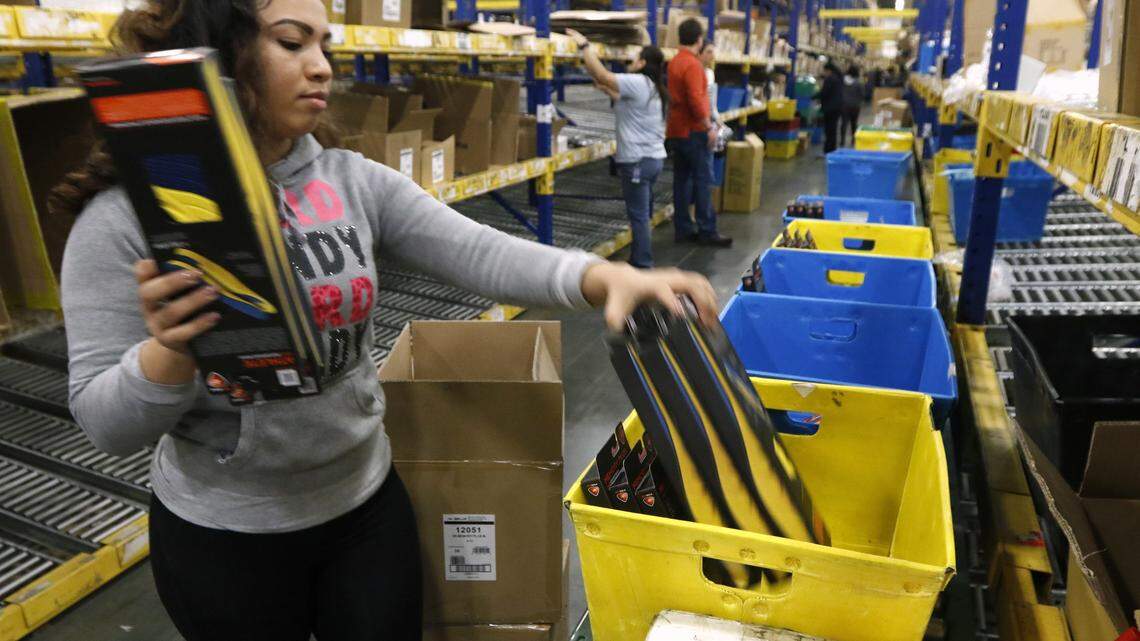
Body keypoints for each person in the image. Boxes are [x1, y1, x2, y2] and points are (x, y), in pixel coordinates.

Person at [52, 1, 720, 639]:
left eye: (325, 46)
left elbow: (478, 250)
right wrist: (168, 354)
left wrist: (606, 275)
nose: (321, 66)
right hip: (224, 536)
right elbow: (104, 422)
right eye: (292, 42)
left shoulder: (350, 182)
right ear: (221, 55)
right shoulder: (124, 221)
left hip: (362, 507)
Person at [565, 29, 667, 269]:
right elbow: (621, 96)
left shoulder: (638, 82)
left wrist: (584, 45)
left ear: (642, 63)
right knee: (643, 213)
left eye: (634, 59)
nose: (630, 63)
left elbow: (602, 73)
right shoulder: (654, 87)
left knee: (639, 216)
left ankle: (642, 264)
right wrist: (604, 88)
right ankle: (640, 257)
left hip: (638, 162)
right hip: (653, 160)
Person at [666, 18, 732, 247]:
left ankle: (683, 229)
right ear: (699, 40)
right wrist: (708, 126)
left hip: (676, 130)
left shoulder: (674, 62)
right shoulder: (693, 65)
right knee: (703, 181)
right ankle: (707, 230)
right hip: (693, 131)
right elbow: (696, 99)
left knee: (681, 181)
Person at [816, 61, 844, 154]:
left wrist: (813, 96)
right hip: (836, 108)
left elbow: (824, 93)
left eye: (824, 71)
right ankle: (831, 150)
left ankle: (828, 151)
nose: (824, 73)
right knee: (832, 130)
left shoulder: (830, 79)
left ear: (828, 70)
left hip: (830, 108)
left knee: (829, 131)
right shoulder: (837, 78)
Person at [840, 64, 864, 147]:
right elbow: (862, 94)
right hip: (855, 106)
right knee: (854, 123)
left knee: (844, 123)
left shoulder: (843, 81)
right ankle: (853, 140)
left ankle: (842, 140)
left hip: (844, 105)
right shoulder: (858, 83)